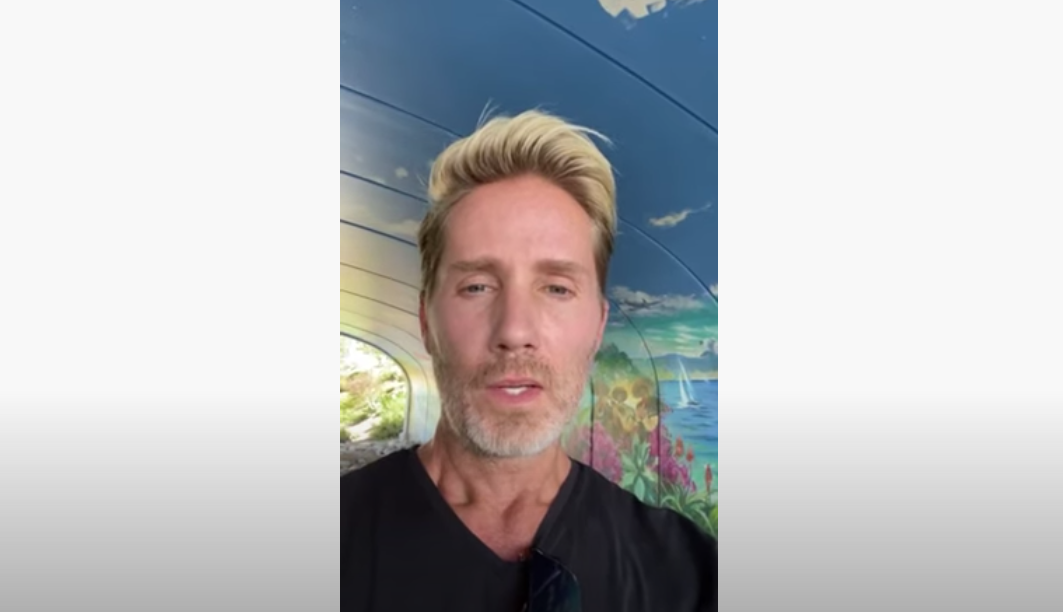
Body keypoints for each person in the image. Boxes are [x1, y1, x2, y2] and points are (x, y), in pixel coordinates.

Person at [341, 109, 717, 611]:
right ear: (426, 321)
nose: (515, 331)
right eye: (477, 286)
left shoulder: (690, 580)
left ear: (598, 326)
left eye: (557, 288)